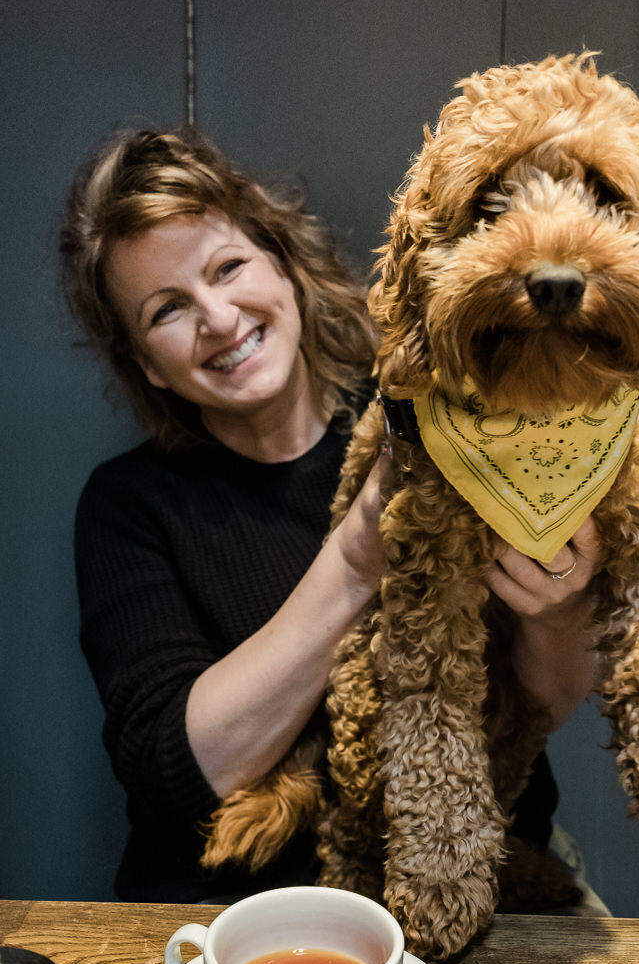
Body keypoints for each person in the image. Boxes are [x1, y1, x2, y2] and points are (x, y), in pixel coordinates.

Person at [60, 126, 600, 905]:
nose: (217, 318)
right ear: (147, 364)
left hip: (473, 879)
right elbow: (181, 772)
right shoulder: (128, 506)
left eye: (230, 267)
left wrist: (560, 608)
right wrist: (354, 558)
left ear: (283, 268)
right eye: (168, 309)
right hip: (240, 908)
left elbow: (536, 712)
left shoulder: (438, 420)